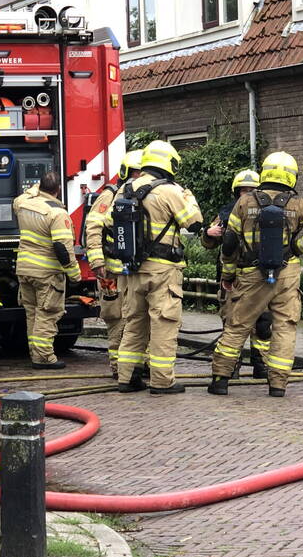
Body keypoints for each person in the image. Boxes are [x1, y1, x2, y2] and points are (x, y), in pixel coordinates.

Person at [211, 151, 303, 397]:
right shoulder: (298, 204)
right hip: (287, 274)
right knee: (285, 327)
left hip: (250, 274)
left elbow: (231, 241)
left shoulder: (244, 202)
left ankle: (220, 380)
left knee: (237, 326)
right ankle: (277, 385)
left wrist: (228, 275)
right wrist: (297, 247)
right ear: (292, 177)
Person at [111, 140, 203, 394]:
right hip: (163, 270)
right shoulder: (170, 191)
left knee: (134, 324)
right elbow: (193, 223)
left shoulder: (125, 189)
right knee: (164, 323)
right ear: (169, 163)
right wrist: (190, 198)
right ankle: (162, 381)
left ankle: (126, 378)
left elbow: (111, 222)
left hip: (133, 269)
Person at [202, 169, 271, 383]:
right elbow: (209, 244)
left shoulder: (270, 212)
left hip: (258, 275)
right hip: (231, 277)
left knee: (263, 321)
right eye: (244, 190)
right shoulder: (225, 213)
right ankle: (231, 368)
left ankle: (262, 366)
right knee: (232, 322)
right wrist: (208, 233)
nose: (248, 194)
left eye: (252, 190)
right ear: (237, 192)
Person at [13, 171, 81, 369]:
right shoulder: (58, 214)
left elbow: (24, 195)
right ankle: (44, 358)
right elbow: (62, 249)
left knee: (32, 314)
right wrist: (74, 274)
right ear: (58, 190)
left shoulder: (23, 203)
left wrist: (37, 189)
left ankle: (36, 355)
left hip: (24, 269)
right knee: (47, 313)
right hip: (47, 273)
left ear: (39, 187)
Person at [84, 150, 143, 377]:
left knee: (137, 317)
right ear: (126, 172)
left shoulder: (144, 194)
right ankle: (119, 367)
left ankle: (138, 365)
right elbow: (93, 227)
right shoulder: (110, 195)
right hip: (111, 271)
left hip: (135, 272)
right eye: (136, 173)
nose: (140, 177)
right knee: (116, 318)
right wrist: (97, 260)